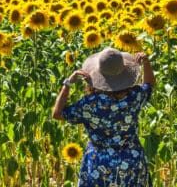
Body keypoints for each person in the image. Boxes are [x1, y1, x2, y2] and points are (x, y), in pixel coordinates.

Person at [52, 47, 156, 186]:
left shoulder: (90, 104)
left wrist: (68, 84)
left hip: (99, 162)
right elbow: (149, 85)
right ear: (124, 74)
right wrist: (146, 62)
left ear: (99, 75)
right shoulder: (135, 97)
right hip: (131, 160)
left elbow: (57, 114)